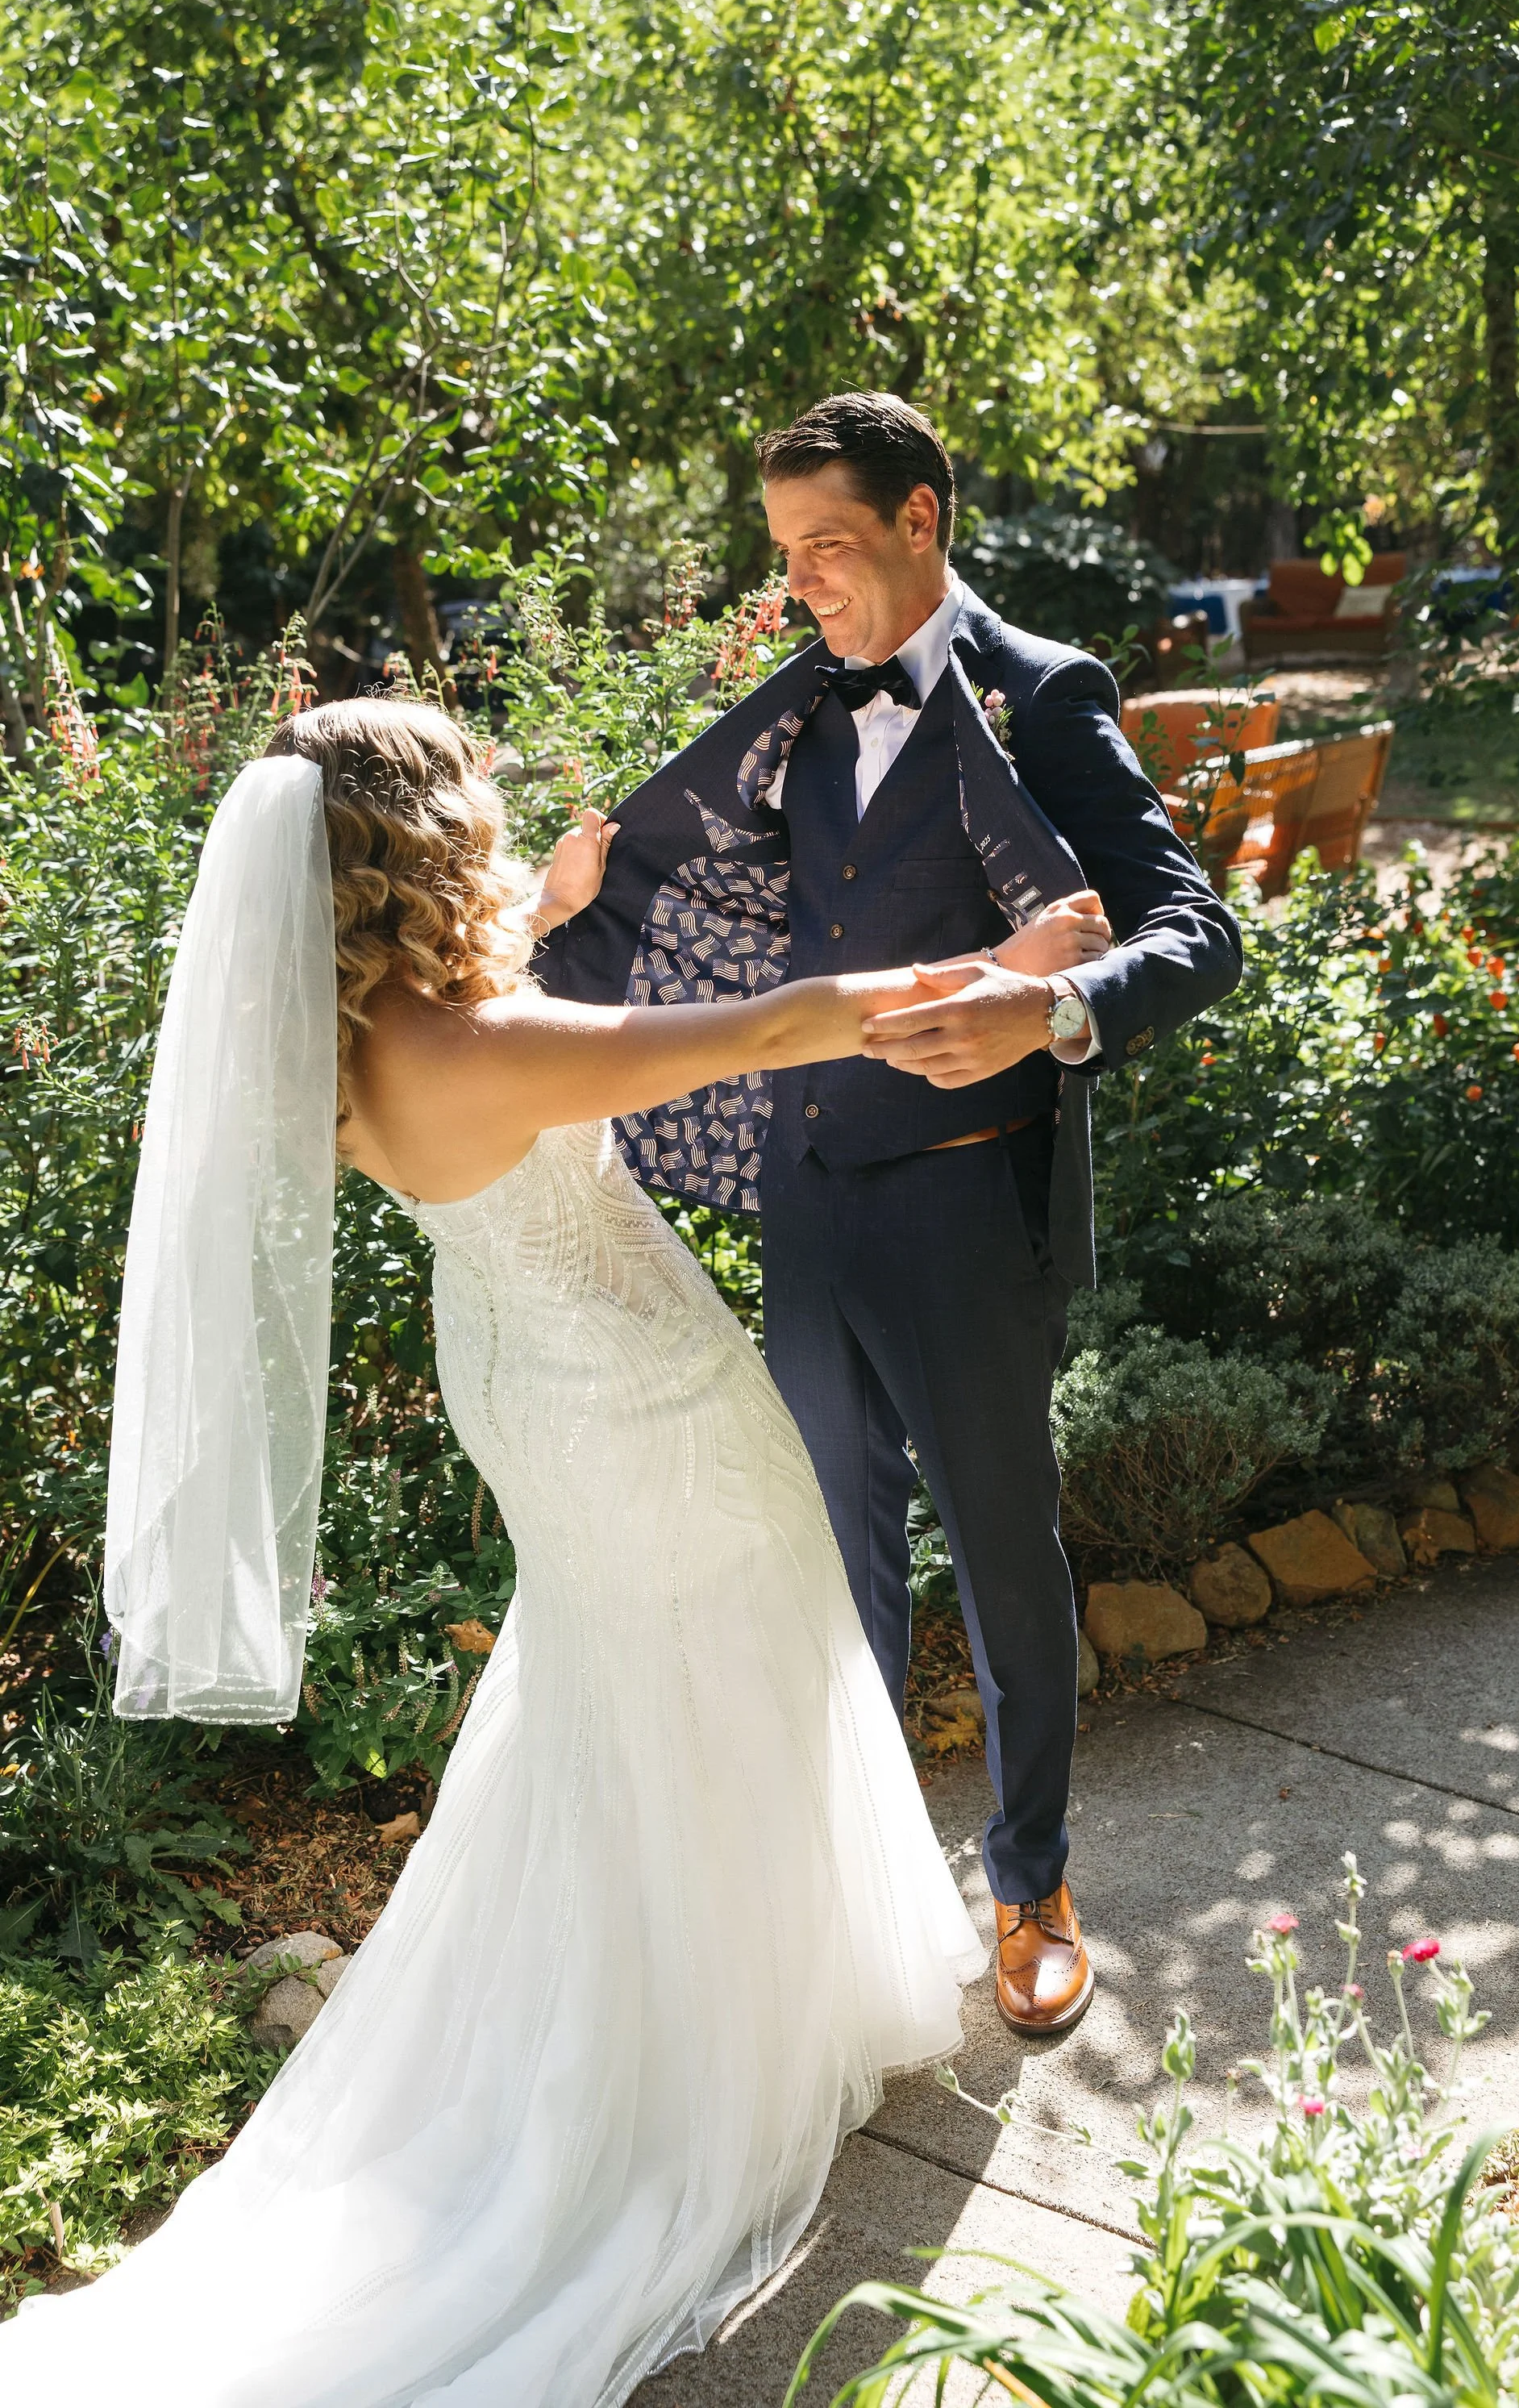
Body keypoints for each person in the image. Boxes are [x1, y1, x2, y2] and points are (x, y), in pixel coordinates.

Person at [0, 699, 986, 2407]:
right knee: (735, 1664)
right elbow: (771, 1028)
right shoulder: (507, 1040)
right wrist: (995, 977)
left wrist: (539, 906)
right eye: (476, 800)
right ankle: (696, 2068)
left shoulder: (342, 1043)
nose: (500, 808)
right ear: (416, 848)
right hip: (644, 1391)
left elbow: (480, 1050)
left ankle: (676, 2009)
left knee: (622, 1690)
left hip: (527, 1384)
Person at [537, 392, 1243, 2038]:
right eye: (783, 561)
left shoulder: (1044, 695)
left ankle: (1033, 1884)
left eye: (828, 551)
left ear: (921, 519)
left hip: (963, 1219)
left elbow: (1196, 934)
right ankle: (853, 1905)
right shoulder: (791, 713)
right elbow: (687, 899)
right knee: (833, 1568)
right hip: (807, 1203)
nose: (802, 592)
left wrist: (1042, 1016)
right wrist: (548, 923)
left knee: (1002, 1561)